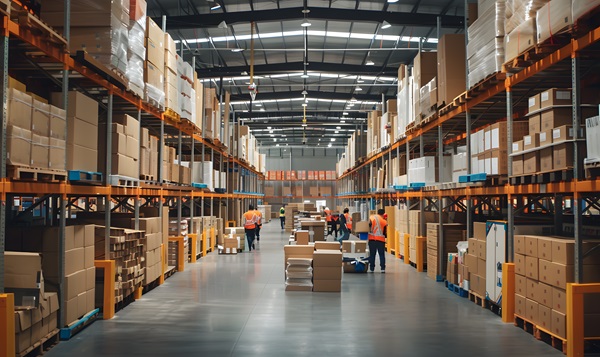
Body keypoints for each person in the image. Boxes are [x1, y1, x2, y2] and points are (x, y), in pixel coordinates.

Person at [368, 208, 387, 273]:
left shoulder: (371, 217)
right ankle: (382, 268)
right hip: (380, 240)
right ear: (383, 214)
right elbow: (385, 233)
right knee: (381, 254)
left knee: (372, 254)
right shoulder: (384, 221)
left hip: (372, 239)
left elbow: (368, 226)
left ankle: (372, 268)